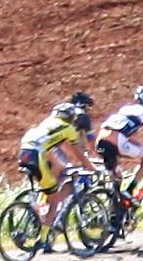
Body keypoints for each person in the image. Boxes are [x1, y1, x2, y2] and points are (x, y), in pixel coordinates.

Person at [18, 99, 98, 233]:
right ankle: (43, 237)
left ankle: (39, 206)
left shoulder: (48, 124)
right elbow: (79, 154)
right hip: (37, 155)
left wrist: (65, 166)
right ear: (70, 117)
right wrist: (91, 168)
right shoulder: (68, 128)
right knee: (55, 202)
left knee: (57, 170)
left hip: (26, 152)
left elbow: (53, 151)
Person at [98, 86, 143, 183]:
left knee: (116, 178)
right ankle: (130, 191)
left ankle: (112, 195)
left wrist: (142, 146)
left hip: (101, 140)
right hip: (117, 142)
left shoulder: (125, 109)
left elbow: (127, 136)